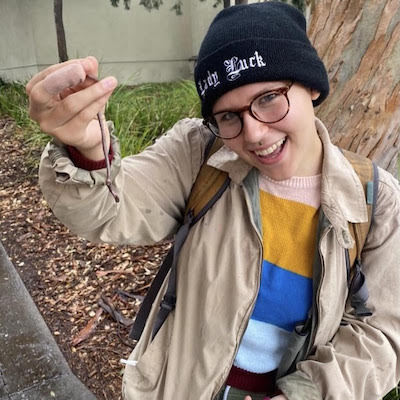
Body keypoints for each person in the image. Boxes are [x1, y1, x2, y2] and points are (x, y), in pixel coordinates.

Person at [26, 2, 400, 400]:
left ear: (310, 85)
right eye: (228, 116)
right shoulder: (200, 155)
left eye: (270, 97)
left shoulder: (376, 201)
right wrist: (86, 146)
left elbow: (382, 336)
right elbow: (111, 209)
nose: (254, 133)